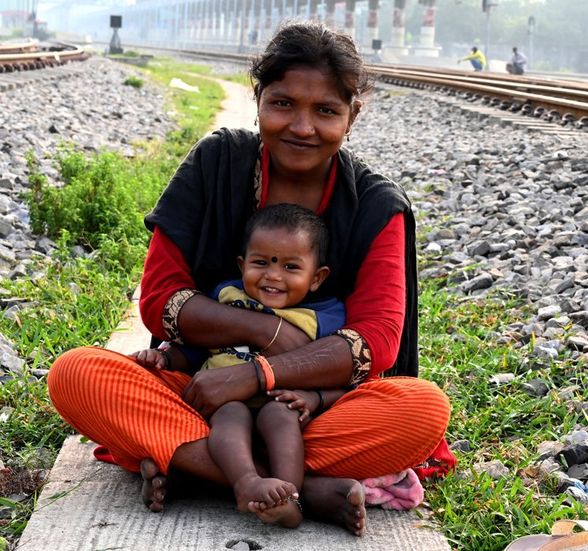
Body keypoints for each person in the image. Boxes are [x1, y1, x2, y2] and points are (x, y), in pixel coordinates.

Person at [47, 22, 452, 538]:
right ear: (257, 98)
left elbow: (377, 342)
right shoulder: (216, 163)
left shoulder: (375, 204)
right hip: (204, 391)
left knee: (421, 410)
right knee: (76, 373)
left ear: (352, 116)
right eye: (283, 104)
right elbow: (160, 299)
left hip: (309, 409)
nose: (302, 127)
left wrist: (260, 376)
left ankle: (199, 465)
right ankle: (297, 486)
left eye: (326, 111)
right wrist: (268, 334)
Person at [129, 203, 345, 528]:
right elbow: (196, 350)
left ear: (317, 278)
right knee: (230, 413)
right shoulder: (226, 297)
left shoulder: (325, 318)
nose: (273, 275)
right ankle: (247, 483)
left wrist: (314, 399)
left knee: (280, 416)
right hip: (218, 404)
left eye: (290, 267)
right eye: (261, 263)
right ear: (242, 264)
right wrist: (164, 358)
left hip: (280, 404)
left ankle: (288, 498)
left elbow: (341, 378)